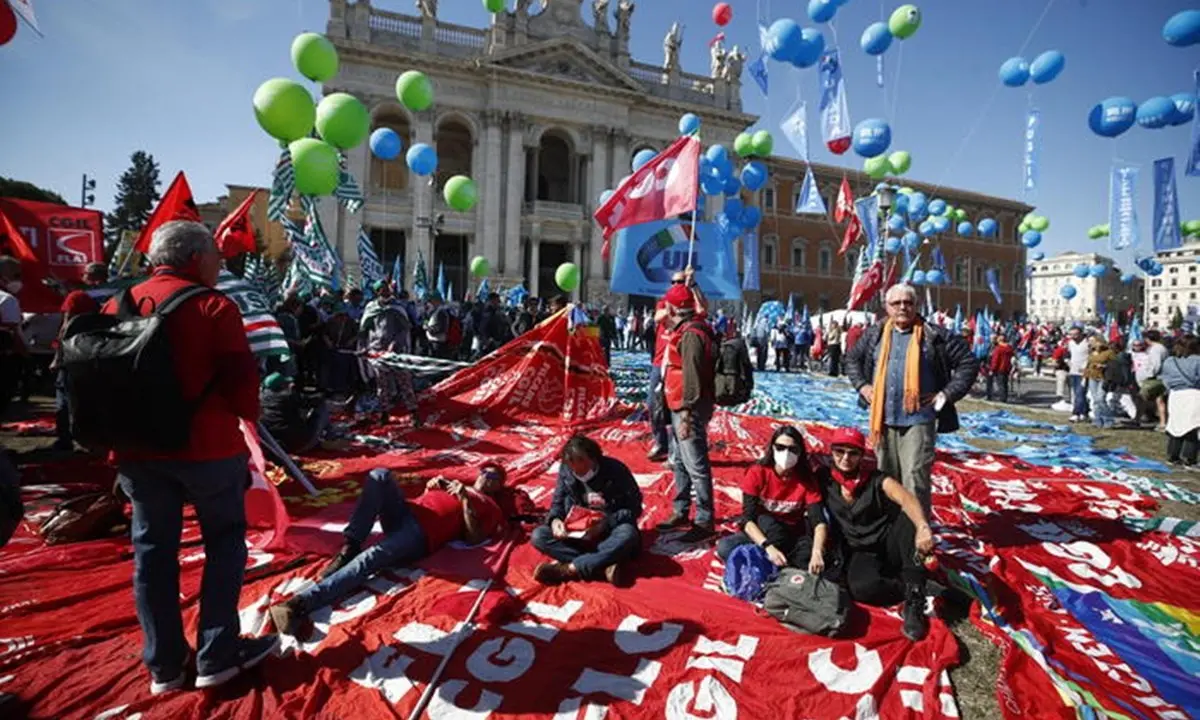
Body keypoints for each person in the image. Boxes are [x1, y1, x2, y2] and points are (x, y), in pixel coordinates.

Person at [101, 222, 276, 693]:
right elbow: (244, 392)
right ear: (196, 258)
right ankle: (217, 653)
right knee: (224, 544)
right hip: (207, 450)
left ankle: (164, 666)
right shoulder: (214, 306)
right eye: (216, 256)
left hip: (137, 453)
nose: (221, 263)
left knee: (152, 553)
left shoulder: (115, 304)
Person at [269, 463, 513, 638]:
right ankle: (351, 543)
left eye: (494, 476)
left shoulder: (489, 506)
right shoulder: (455, 485)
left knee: (372, 558)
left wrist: (465, 500)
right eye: (485, 471)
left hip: (422, 534)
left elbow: (474, 537)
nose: (487, 477)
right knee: (380, 475)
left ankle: (299, 604)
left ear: (499, 486)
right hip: (407, 513)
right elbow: (425, 502)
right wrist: (431, 488)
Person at [845, 284, 979, 518]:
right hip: (882, 419)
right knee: (885, 478)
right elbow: (852, 359)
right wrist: (863, 386)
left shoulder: (934, 335)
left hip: (919, 419)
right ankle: (888, 530)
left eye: (908, 302)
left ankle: (917, 535)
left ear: (917, 306)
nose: (902, 307)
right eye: (896, 303)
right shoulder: (875, 334)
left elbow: (968, 363)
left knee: (914, 478)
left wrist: (945, 395)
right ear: (887, 307)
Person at [817, 427, 934, 641]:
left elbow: (906, 498)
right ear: (831, 453)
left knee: (909, 518)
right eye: (839, 451)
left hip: (889, 543)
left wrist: (923, 526)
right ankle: (916, 585)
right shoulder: (824, 480)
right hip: (860, 550)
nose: (845, 458)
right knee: (862, 590)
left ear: (862, 455)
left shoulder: (877, 479)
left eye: (853, 453)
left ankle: (915, 595)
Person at [532, 435, 643, 585]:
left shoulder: (616, 470)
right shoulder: (566, 471)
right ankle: (601, 566)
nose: (578, 470)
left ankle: (569, 569)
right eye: (572, 465)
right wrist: (555, 520)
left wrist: (605, 524)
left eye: (582, 462)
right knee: (539, 536)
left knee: (628, 534)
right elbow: (558, 501)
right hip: (578, 529)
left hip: (610, 527)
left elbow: (634, 508)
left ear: (593, 457)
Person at [716, 426, 828, 573]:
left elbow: (818, 521)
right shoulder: (758, 472)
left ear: (800, 453)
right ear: (772, 448)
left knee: (809, 561)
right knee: (725, 548)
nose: (786, 453)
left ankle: (762, 563)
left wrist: (817, 552)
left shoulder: (806, 479)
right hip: (761, 531)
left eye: (793, 449)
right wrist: (768, 547)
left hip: (791, 531)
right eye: (780, 447)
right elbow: (747, 519)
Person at [656, 282, 718, 543]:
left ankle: (704, 519)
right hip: (678, 405)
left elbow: (692, 377)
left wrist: (689, 415)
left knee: (696, 464)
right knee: (680, 461)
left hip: (687, 408)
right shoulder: (688, 327)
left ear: (672, 307)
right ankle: (681, 510)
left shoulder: (691, 335)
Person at [647, 271, 707, 461]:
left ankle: (675, 452)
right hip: (659, 363)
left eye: (680, 281)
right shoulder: (665, 302)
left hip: (677, 363)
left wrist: (693, 288)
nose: (676, 284)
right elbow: (658, 317)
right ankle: (660, 442)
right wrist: (676, 302)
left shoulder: (691, 303)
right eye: (673, 281)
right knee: (653, 405)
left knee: (677, 408)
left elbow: (703, 310)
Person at [51, 263, 108, 449]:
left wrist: (57, 357)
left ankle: (65, 440)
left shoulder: (77, 297)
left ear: (90, 276)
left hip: (73, 352)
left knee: (65, 398)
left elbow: (66, 328)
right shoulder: (116, 294)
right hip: (103, 352)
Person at [360, 281, 421, 426]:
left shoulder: (397, 307)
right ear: (377, 292)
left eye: (387, 289)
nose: (386, 292)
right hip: (377, 351)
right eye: (382, 290)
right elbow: (364, 330)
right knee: (382, 386)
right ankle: (384, 413)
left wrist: (395, 344)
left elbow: (405, 329)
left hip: (396, 353)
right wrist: (364, 347)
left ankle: (414, 414)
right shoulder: (371, 308)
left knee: (404, 383)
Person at [259, 373, 330, 454]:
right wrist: (323, 394)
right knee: (321, 407)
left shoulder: (260, 398)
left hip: (276, 446)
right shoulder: (287, 396)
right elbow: (313, 401)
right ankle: (331, 436)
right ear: (281, 386)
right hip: (298, 445)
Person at [1161, 335, 1200, 466]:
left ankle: (1172, 456)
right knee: (1192, 427)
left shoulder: (1169, 361)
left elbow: (1165, 379)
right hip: (1194, 394)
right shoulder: (1197, 361)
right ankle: (1189, 458)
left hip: (1176, 395)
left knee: (1175, 426)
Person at [0, 256, 27, 417]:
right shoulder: (7, 300)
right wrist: (25, 355)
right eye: (16, 275)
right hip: (5, 358)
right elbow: (13, 332)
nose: (19, 279)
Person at [1085, 337, 1117, 429]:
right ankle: (1097, 420)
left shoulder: (1109, 352)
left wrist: (1104, 366)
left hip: (1104, 377)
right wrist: (1085, 376)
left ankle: (1109, 419)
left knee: (1100, 398)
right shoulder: (1091, 352)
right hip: (1092, 376)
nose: (1092, 343)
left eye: (1094, 342)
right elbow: (1088, 364)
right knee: (1095, 399)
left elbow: (1114, 365)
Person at [1066, 326, 1091, 422]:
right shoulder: (1070, 343)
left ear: (1080, 334)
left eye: (1075, 334)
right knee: (1078, 393)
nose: (1073, 337)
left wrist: (1086, 367)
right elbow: (1067, 354)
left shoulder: (1087, 343)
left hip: (1084, 372)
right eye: (1071, 334)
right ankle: (1085, 413)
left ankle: (1076, 413)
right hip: (1073, 371)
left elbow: (1092, 355)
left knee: (1079, 392)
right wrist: (1067, 361)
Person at [986, 335, 1015, 403]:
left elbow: (995, 360)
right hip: (1007, 368)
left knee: (1000, 384)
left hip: (999, 368)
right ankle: (1005, 397)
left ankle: (1002, 399)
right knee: (1005, 383)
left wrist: (992, 369)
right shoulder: (1010, 348)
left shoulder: (998, 349)